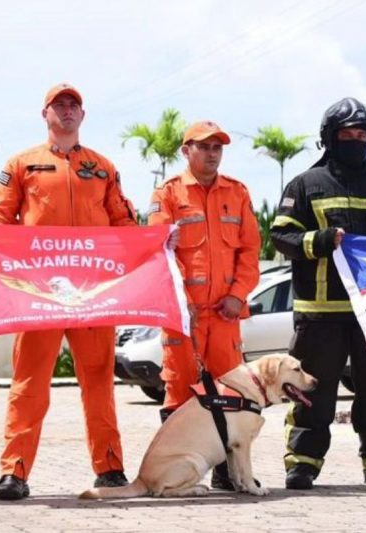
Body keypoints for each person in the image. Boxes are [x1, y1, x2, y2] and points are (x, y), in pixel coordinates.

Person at [0, 84, 137, 500]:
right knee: (29, 384)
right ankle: (13, 471)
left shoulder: (103, 168)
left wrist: (154, 244)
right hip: (39, 295)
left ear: (82, 116)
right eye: (60, 105)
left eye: (74, 105)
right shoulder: (22, 164)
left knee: (99, 384)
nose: (67, 111)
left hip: (94, 295)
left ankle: (109, 467)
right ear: (45, 114)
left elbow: (124, 224)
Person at [271, 97, 366, 490]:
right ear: (329, 138)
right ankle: (301, 464)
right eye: (347, 134)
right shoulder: (304, 185)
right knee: (312, 393)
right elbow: (280, 236)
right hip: (319, 313)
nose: (356, 140)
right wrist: (318, 240)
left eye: (362, 134)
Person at [147, 120, 261, 490]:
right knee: (181, 392)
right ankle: (170, 471)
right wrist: (181, 299)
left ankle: (228, 475)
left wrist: (237, 294)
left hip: (225, 316)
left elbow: (249, 251)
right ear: (186, 151)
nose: (211, 154)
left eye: (217, 147)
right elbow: (160, 249)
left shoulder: (237, 192)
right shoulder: (168, 194)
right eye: (203, 146)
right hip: (184, 317)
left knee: (230, 395)